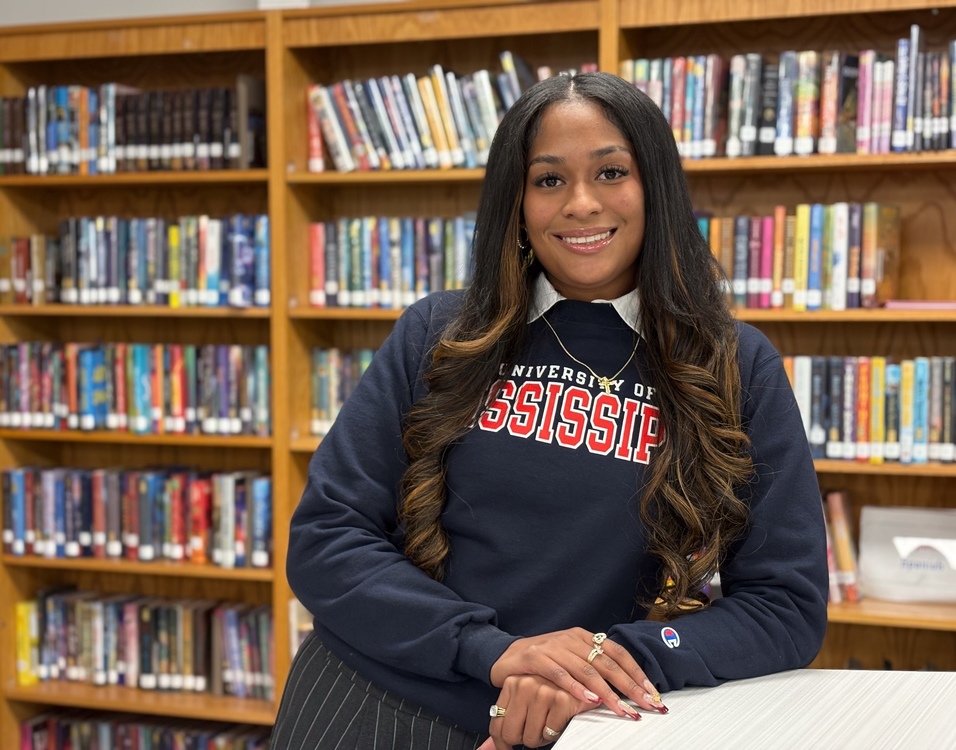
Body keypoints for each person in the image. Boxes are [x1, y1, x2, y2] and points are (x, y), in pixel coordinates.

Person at [271, 71, 828, 750]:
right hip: (373, 703)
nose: (582, 204)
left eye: (612, 171)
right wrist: (491, 650)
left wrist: (609, 662)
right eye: (549, 180)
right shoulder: (437, 335)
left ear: (655, 186)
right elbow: (328, 538)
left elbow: (785, 607)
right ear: (518, 201)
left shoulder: (735, 365)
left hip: (581, 724)